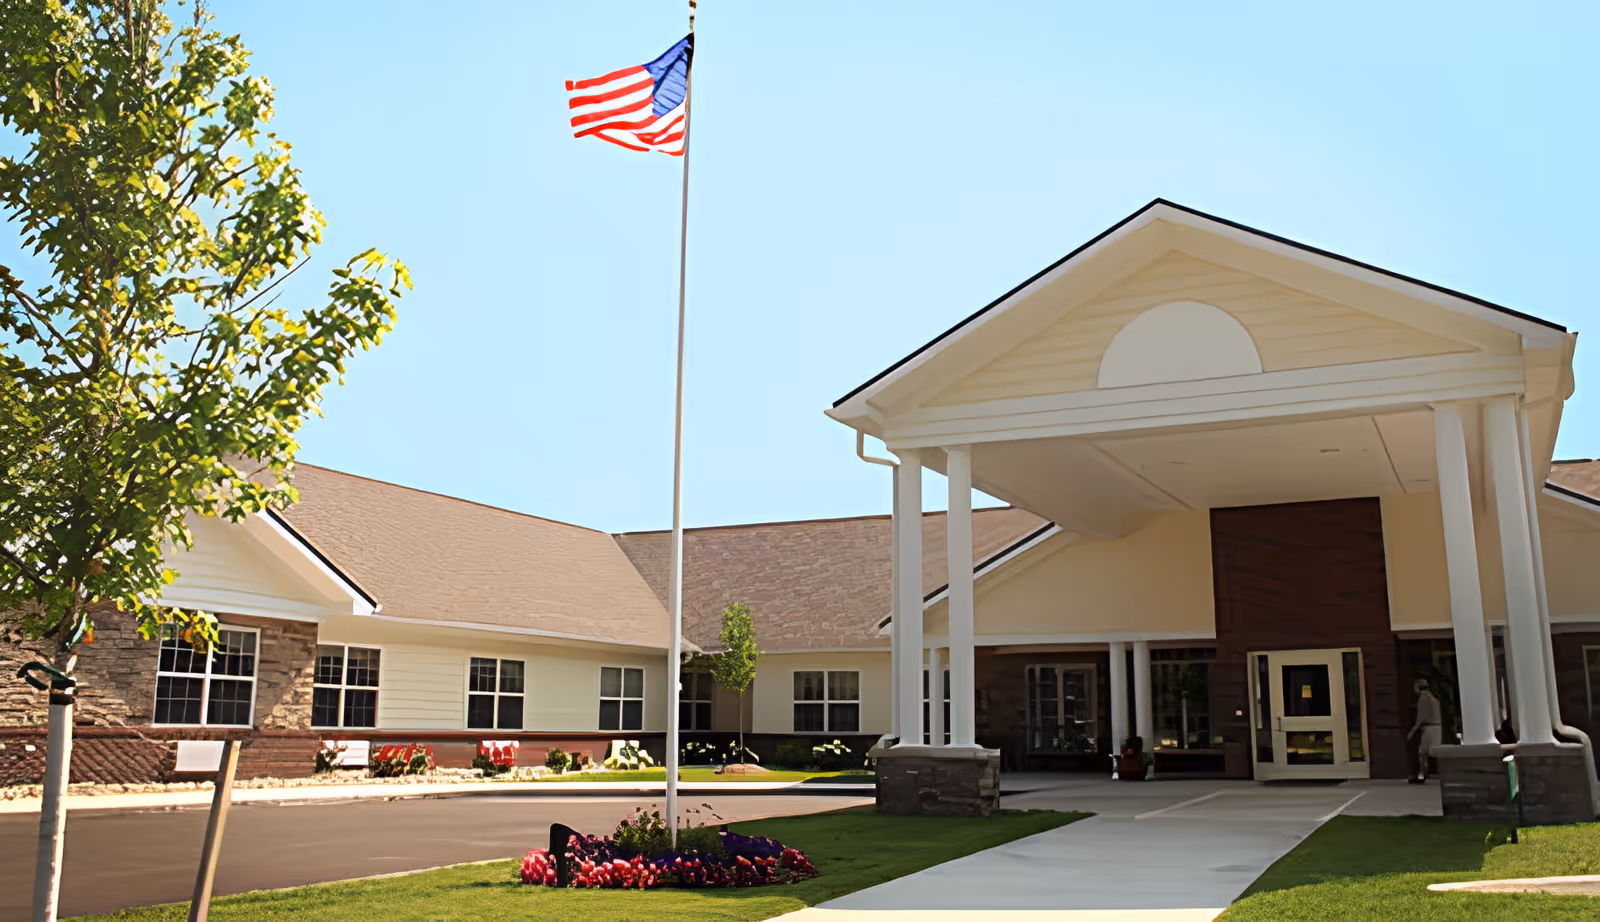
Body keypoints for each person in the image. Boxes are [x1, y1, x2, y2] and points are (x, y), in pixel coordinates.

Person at [1408, 678, 1442, 783]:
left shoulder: (1423, 698)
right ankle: (1424, 774)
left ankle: (1422, 775)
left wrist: (1412, 732)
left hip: (1429, 728)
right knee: (1432, 752)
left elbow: (1420, 718)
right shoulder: (1432, 697)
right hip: (1437, 727)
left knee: (1422, 753)